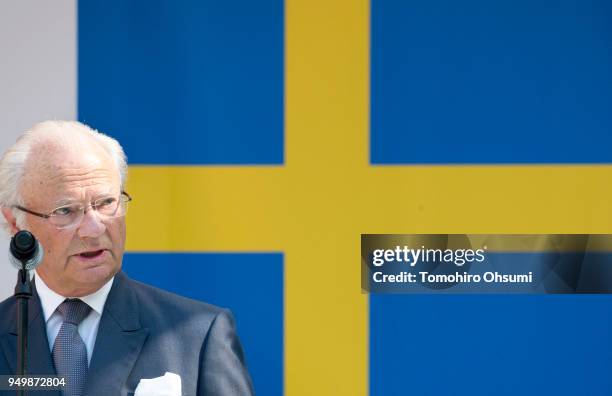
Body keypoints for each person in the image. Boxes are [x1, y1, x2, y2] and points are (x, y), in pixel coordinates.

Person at [0, 120, 254, 395]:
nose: (94, 228)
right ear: (15, 222)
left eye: (106, 203)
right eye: (65, 211)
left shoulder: (199, 335)